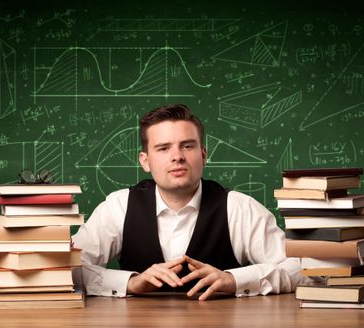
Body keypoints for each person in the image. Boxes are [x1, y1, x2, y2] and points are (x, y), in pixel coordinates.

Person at [72, 104, 303, 301]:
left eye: (187, 146)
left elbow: (299, 268)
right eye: (163, 148)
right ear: (145, 161)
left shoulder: (239, 208)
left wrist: (235, 280)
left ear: (203, 155)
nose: (177, 156)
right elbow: (67, 269)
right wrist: (130, 283)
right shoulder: (118, 207)